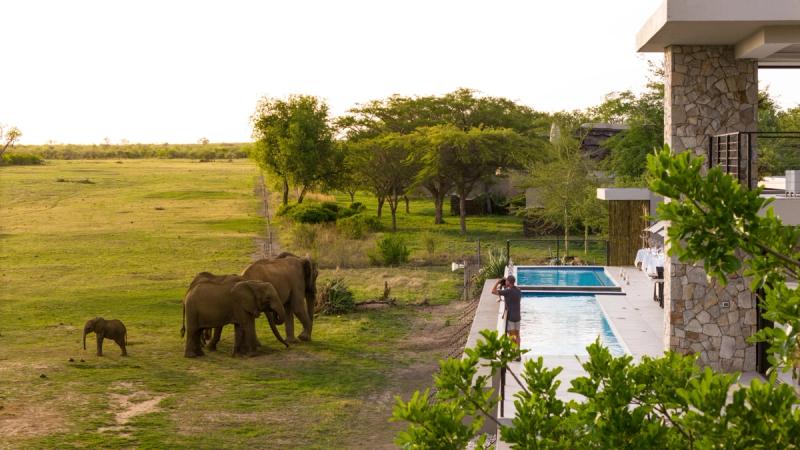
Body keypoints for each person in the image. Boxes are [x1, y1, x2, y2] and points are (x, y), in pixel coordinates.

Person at [491, 275, 522, 358]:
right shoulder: (518, 290)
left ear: (508, 281)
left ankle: (515, 354)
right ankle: (518, 352)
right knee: (517, 335)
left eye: (507, 281)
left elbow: (493, 291)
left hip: (511, 317)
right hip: (518, 316)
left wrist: (498, 282)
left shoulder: (507, 292)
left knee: (511, 335)